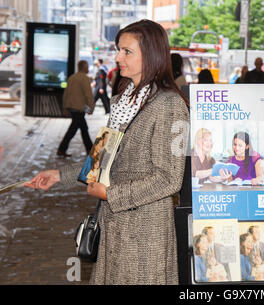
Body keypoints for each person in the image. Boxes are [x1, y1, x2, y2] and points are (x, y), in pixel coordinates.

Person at [25, 19, 189, 285]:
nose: (117, 57)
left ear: (151, 54)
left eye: (127, 51)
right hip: (114, 225)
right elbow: (102, 158)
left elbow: (169, 178)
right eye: (118, 49)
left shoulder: (169, 105)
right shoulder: (124, 98)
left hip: (145, 232)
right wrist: (59, 175)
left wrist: (111, 194)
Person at [57, 60, 94, 157]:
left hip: (72, 108)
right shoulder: (84, 78)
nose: (88, 68)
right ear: (84, 67)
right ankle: (90, 151)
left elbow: (66, 94)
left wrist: (65, 107)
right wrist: (91, 107)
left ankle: (62, 149)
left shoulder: (72, 78)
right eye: (87, 66)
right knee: (82, 130)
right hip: (79, 108)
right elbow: (88, 95)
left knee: (77, 129)